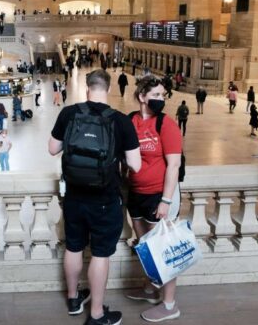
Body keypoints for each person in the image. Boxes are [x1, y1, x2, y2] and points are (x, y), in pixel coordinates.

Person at [48, 69, 141, 325]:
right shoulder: (120, 120)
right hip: (104, 198)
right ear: (108, 89)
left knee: (73, 246)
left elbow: (52, 148)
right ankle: (97, 314)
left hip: (74, 196)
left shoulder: (69, 113)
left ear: (87, 88)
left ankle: (74, 299)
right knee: (100, 254)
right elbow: (136, 165)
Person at [123, 76, 183, 322]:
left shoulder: (166, 125)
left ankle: (169, 305)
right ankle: (150, 289)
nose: (160, 100)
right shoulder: (131, 121)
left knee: (164, 249)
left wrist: (166, 201)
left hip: (159, 194)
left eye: (163, 96)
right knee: (145, 246)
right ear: (141, 97)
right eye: (155, 95)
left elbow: (174, 165)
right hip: (136, 193)